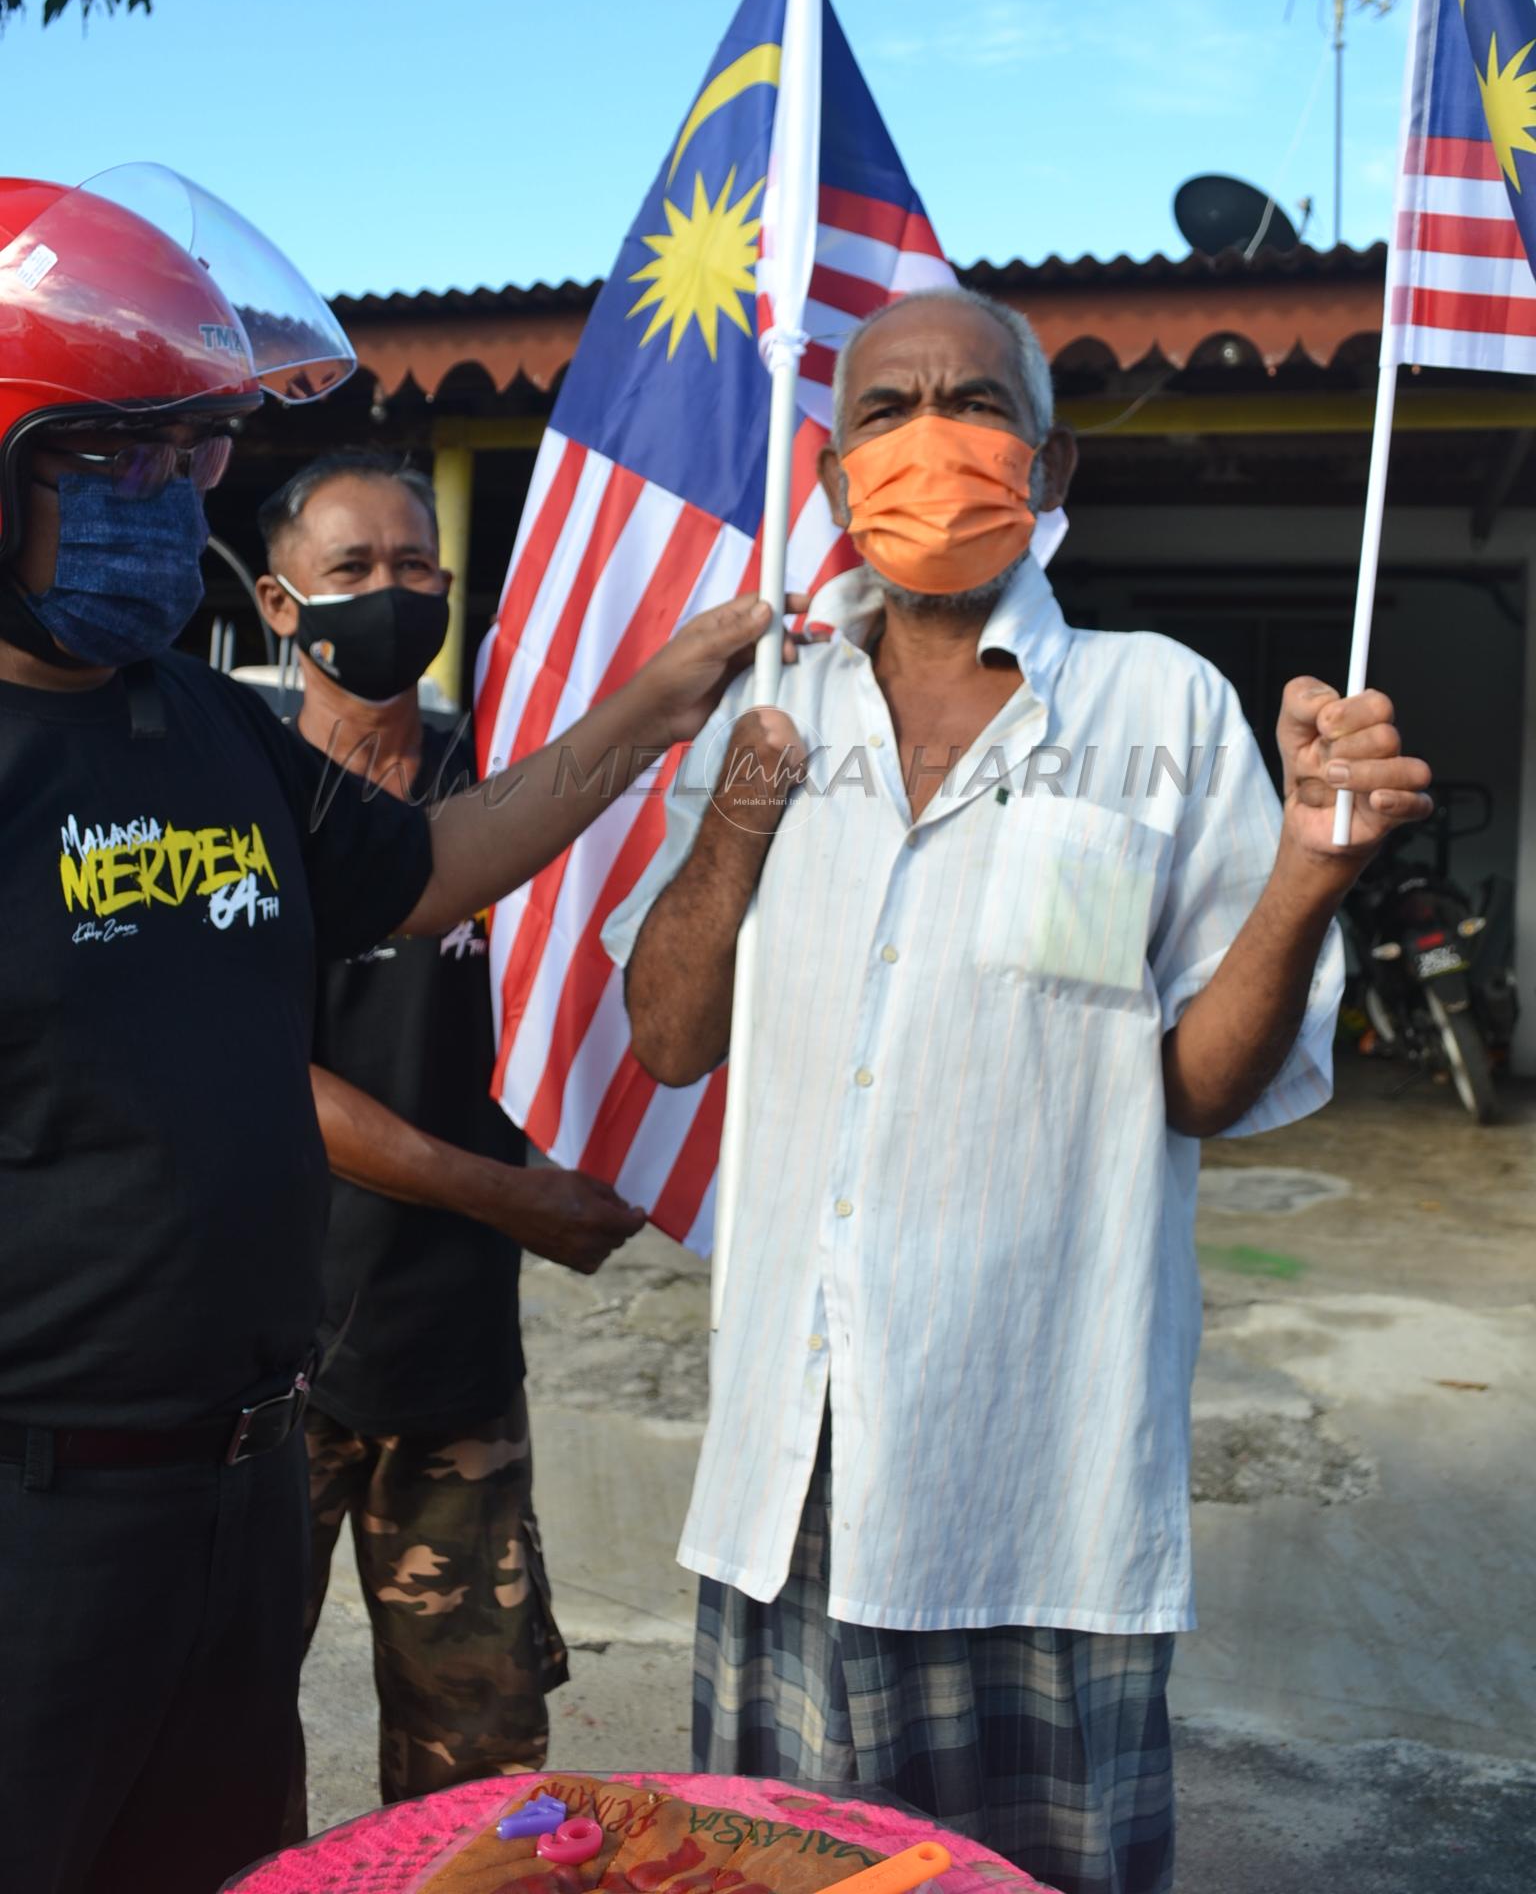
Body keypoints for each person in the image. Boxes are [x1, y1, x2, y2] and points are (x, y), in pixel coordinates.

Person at [0, 172, 776, 1894]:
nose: (167, 501)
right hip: (36, 1506)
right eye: (108, 460)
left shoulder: (196, 719)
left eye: (187, 455)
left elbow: (426, 872)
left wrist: (657, 706)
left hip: (240, 1474)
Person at [605, 287, 1433, 1894]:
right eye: (884, 412)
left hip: (1030, 1474)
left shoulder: (1159, 707)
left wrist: (1308, 884)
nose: (930, 443)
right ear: (837, 483)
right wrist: (736, 818)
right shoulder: (774, 718)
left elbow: (1200, 1084)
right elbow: (667, 1039)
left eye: (971, 405)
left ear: (1048, 471)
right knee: (770, 1873)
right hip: (791, 1461)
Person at [250, 447, 645, 1819]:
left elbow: (621, 969)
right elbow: (265, 1077)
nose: (390, 591)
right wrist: (511, 1197)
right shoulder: (237, 802)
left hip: (452, 1361)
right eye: (351, 569)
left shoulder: (504, 797)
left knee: (476, 1767)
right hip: (258, 1372)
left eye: (416, 566)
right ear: (278, 602)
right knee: (215, 1739)